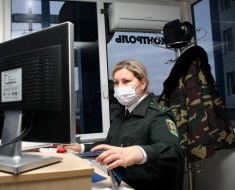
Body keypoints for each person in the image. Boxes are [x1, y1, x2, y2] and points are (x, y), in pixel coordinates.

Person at [67, 60, 184, 190]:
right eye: (116, 82)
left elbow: (173, 150)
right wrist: (81, 148)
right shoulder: (122, 113)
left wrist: (139, 152)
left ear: (142, 84)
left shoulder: (158, 115)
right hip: (120, 184)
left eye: (126, 81)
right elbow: (112, 146)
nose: (120, 87)